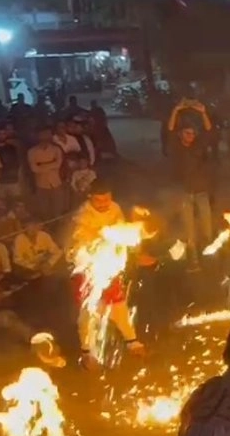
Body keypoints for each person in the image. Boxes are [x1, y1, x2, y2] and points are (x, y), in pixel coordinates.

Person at [70, 182, 145, 368]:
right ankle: (88, 351)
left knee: (118, 304)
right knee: (90, 310)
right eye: (98, 200)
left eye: (107, 199)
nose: (103, 203)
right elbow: (82, 242)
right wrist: (104, 237)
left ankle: (132, 341)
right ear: (90, 198)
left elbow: (122, 230)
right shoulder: (82, 216)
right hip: (88, 268)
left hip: (111, 264)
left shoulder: (115, 208)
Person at [169, 125, 215, 265]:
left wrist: (202, 112)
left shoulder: (198, 147)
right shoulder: (177, 148)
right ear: (180, 134)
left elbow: (208, 131)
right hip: (185, 193)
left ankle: (208, 254)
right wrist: (176, 109)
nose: (190, 135)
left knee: (207, 224)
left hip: (201, 192)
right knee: (189, 226)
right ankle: (193, 257)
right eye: (187, 132)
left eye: (193, 133)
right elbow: (170, 130)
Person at [27, 127, 67, 222]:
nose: (45, 139)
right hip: (41, 185)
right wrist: (51, 164)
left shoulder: (56, 149)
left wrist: (42, 165)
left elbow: (58, 164)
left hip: (56, 184)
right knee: (44, 212)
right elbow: (34, 169)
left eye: (47, 136)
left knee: (57, 211)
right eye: (43, 136)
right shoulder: (32, 152)